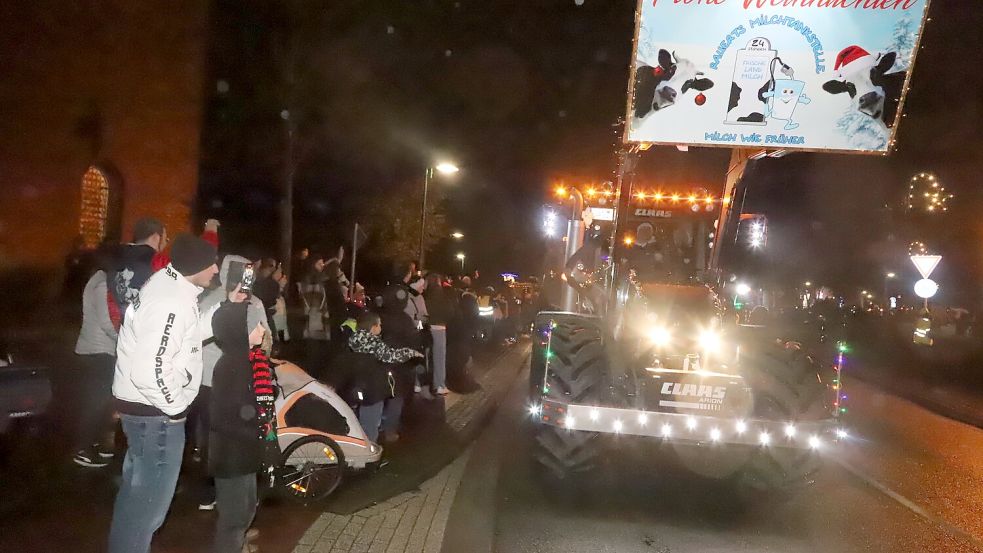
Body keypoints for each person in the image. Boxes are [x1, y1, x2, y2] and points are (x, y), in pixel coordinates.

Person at [108, 234, 218, 553]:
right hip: (155, 417)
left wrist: (222, 312)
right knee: (148, 510)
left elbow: (181, 336)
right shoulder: (171, 301)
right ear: (195, 265)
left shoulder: (169, 286)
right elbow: (149, 370)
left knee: (135, 501)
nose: (215, 269)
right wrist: (177, 407)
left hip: (144, 413)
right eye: (211, 262)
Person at [194, 254, 271, 510]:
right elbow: (263, 341)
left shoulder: (208, 299)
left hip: (207, 380)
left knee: (210, 438)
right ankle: (240, 497)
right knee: (242, 436)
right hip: (238, 381)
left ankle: (207, 492)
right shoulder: (252, 303)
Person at [208, 295, 276, 553]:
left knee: (247, 506)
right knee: (233, 517)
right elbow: (224, 417)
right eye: (257, 325)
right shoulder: (233, 367)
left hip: (244, 450)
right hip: (232, 452)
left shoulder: (250, 360)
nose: (263, 330)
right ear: (241, 332)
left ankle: (238, 541)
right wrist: (255, 428)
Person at [72, 245, 120, 467]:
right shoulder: (102, 284)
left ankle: (94, 444)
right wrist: (124, 338)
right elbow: (106, 321)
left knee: (98, 402)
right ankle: (82, 448)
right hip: (99, 350)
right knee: (95, 402)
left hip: (95, 349)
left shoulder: (98, 279)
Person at [344, 311, 424, 442]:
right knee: (371, 424)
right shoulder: (374, 343)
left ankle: (361, 445)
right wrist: (411, 352)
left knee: (362, 420)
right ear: (373, 327)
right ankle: (370, 454)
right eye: (379, 325)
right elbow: (391, 356)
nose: (381, 327)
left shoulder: (352, 340)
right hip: (373, 388)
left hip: (357, 385)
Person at [378, 284, 426, 442]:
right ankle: (389, 430)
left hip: (378, 363)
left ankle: (374, 426)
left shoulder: (378, 316)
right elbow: (414, 341)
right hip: (399, 366)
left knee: (377, 396)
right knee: (396, 397)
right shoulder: (405, 320)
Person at [107, 217, 167, 326]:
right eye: (165, 240)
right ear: (156, 238)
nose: (165, 245)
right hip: (146, 329)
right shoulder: (158, 262)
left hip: (120, 328)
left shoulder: (115, 257)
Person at [424, 273, 450, 395]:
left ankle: (420, 383)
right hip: (440, 327)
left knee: (426, 355)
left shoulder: (425, 294)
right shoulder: (443, 294)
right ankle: (439, 384)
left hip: (427, 327)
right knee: (439, 357)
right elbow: (450, 310)